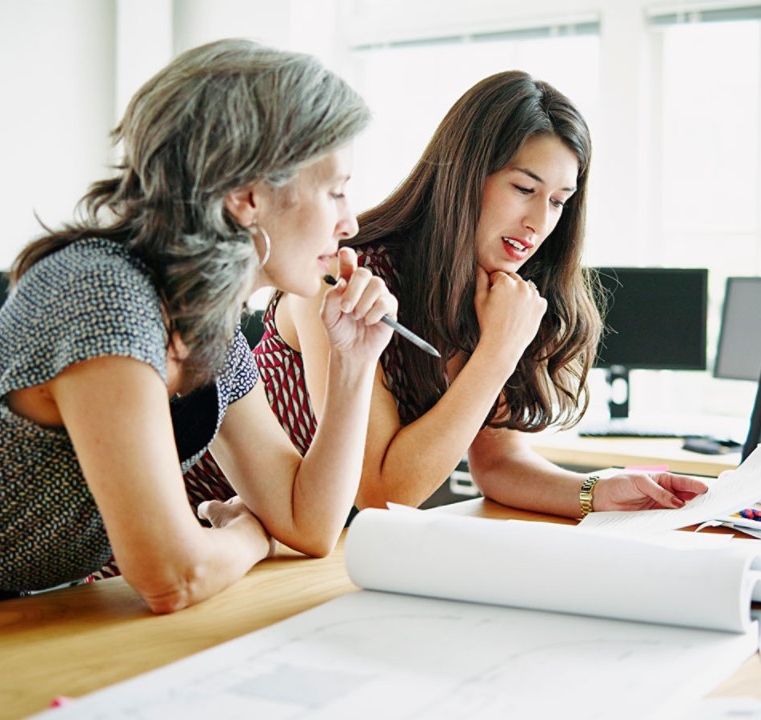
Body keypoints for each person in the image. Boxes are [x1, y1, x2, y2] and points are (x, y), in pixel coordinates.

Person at [0, 38, 394, 641]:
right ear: (248, 196)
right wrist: (246, 535)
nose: (350, 222)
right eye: (336, 190)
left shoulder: (209, 331)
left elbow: (308, 522)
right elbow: (173, 575)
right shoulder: (105, 296)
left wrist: (352, 364)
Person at [234, 70, 707, 520]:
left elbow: (498, 462)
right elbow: (379, 493)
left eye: (559, 201)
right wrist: (499, 350)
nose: (539, 223)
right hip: (220, 525)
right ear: (466, 176)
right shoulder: (348, 279)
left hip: (315, 548)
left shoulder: (505, 295)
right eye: (524, 188)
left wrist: (597, 492)